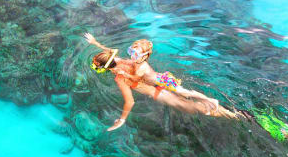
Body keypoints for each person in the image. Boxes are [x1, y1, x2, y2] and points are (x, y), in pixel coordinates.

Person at [85, 33, 240, 131]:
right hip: (161, 81)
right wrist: (95, 43)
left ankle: (236, 116)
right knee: (186, 95)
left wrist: (122, 119)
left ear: (103, 68)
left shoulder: (120, 78)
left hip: (158, 93)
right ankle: (229, 112)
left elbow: (130, 102)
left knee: (192, 107)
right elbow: (110, 52)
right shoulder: (121, 60)